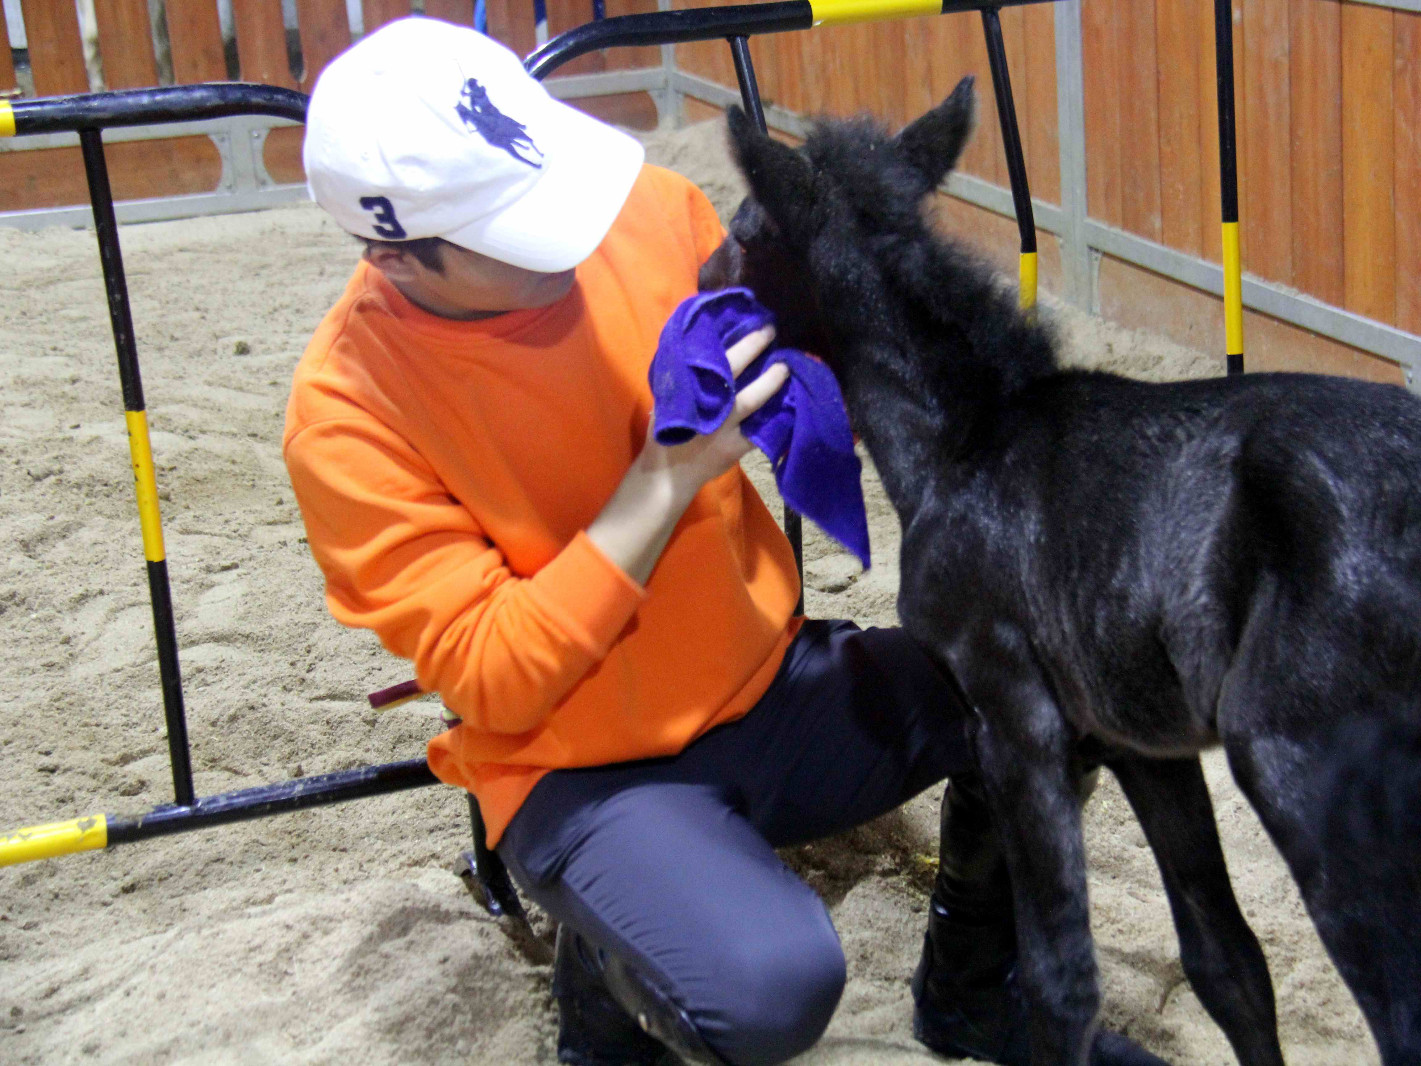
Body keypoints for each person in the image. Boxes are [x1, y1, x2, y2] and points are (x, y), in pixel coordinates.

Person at [286, 17, 1022, 1066]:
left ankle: (971, 996)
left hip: (767, 681)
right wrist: (665, 479)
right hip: (579, 770)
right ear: (394, 255)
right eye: (513, 229)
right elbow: (497, 677)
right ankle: (604, 996)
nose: (571, 241)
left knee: (1041, 675)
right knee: (773, 987)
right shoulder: (345, 414)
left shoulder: (640, 209)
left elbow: (792, 378)